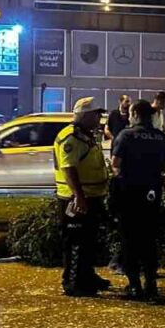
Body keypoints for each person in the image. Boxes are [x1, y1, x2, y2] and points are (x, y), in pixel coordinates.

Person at [110, 99, 165, 300]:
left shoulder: (126, 136)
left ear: (134, 114)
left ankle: (135, 285)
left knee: (130, 239)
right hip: (152, 194)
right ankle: (151, 284)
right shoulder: (161, 137)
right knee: (149, 239)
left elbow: (115, 163)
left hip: (129, 193)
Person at [54, 97, 112, 297]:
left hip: (91, 197)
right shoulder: (72, 137)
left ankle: (86, 276)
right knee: (76, 243)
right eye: (97, 114)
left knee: (88, 242)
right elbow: (68, 168)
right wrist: (78, 196)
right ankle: (73, 283)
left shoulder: (86, 135)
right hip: (76, 199)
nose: (100, 118)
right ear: (86, 115)